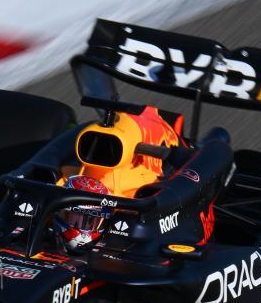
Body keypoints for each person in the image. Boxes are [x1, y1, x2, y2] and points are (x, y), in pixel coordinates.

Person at [55, 106, 184, 251]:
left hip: (156, 153)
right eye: (76, 219)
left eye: (88, 221)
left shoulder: (142, 190)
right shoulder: (67, 180)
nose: (80, 227)